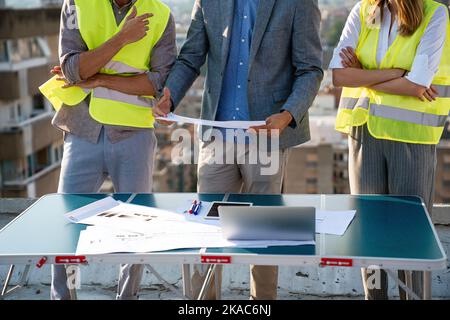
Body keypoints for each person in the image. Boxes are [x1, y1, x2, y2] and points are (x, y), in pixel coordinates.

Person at [154, 0, 323, 300]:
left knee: (264, 234)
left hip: (268, 135)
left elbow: (310, 68)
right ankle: (203, 303)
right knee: (205, 229)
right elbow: (191, 57)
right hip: (217, 133)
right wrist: (170, 95)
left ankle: (263, 303)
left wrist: (287, 115)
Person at [43, 0, 177, 300]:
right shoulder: (77, 3)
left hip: (134, 134)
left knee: (136, 226)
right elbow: (72, 69)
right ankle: (64, 297)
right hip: (81, 130)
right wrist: (121, 38)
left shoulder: (162, 14)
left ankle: (127, 297)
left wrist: (101, 78)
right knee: (68, 224)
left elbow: (159, 81)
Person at [331, 0, 450, 299]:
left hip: (411, 136)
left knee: (411, 233)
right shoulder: (362, 10)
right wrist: (397, 73)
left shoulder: (436, 13)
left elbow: (418, 83)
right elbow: (339, 76)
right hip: (362, 131)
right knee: (368, 229)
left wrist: (365, 74)